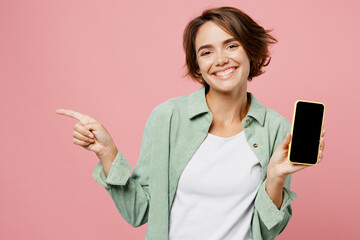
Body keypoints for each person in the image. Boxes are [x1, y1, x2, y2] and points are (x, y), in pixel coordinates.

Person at [56, 6, 326, 240]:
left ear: (251, 52)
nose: (221, 60)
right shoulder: (168, 117)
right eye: (206, 52)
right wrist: (107, 153)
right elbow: (139, 211)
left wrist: (276, 178)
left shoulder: (276, 128)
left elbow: (269, 231)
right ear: (197, 65)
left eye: (231, 45)